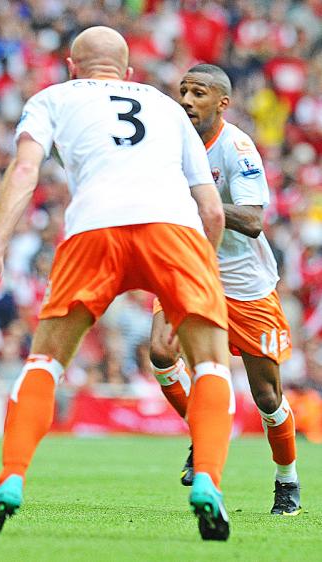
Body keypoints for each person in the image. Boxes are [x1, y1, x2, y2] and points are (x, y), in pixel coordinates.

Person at [0, 27, 233, 541]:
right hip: (174, 230)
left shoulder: (51, 98)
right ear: (128, 71)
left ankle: (11, 479)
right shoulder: (165, 104)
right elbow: (212, 209)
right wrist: (198, 282)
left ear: (72, 65)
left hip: (94, 228)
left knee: (45, 362)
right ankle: (208, 483)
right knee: (211, 364)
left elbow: (24, 170)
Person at [149, 64, 301, 516]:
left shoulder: (237, 148)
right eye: (183, 91)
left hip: (244, 283)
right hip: (190, 265)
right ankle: (203, 436)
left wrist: (198, 200)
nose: (187, 100)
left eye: (198, 93)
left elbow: (254, 221)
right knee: (161, 352)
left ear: (222, 103)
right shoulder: (170, 143)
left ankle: (287, 480)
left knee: (267, 397)